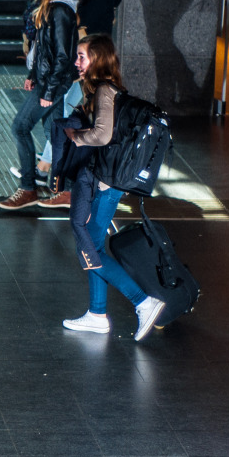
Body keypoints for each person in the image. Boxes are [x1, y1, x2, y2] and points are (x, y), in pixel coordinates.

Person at [59, 34, 165, 341]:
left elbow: (103, 136)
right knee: (91, 245)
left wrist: (75, 137)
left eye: (82, 57)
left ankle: (143, 303)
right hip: (103, 178)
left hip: (107, 182)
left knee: (89, 246)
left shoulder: (104, 89)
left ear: (98, 59)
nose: (77, 62)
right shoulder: (98, 89)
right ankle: (97, 313)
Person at [0, 0, 77, 211]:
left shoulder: (60, 10)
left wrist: (49, 90)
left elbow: (64, 55)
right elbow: (43, 49)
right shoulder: (47, 4)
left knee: (20, 127)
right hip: (46, 81)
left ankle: (28, 187)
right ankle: (66, 190)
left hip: (53, 83)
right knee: (54, 133)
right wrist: (33, 76)